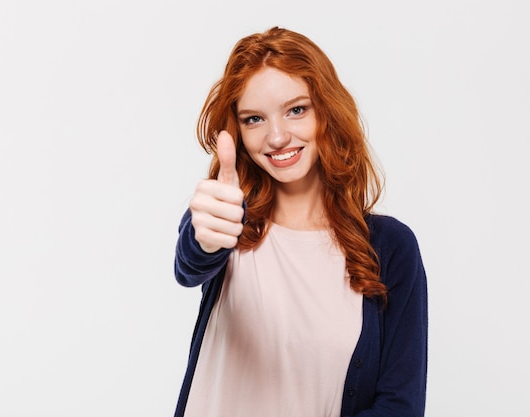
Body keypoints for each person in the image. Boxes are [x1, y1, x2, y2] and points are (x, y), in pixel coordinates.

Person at [173, 26, 428, 417]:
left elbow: (399, 405)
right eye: (254, 119)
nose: (277, 137)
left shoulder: (390, 247)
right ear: (238, 132)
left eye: (296, 110)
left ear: (326, 110)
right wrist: (203, 237)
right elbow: (191, 262)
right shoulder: (226, 218)